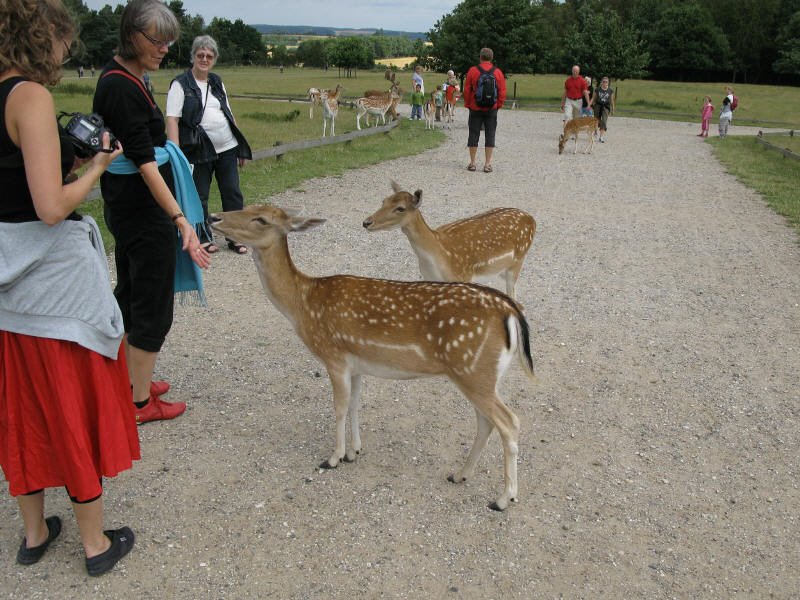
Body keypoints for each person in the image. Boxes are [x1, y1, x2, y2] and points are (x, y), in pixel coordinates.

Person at [0, 0, 138, 575]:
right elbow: (51, 208)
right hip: (51, 286)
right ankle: (94, 545)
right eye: (60, 40)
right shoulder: (28, 96)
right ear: (41, 36)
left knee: (23, 407)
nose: (64, 52)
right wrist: (97, 168)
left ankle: (34, 534)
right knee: (69, 403)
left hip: (7, 287)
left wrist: (62, 159)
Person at [92, 0, 211, 425]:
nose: (164, 48)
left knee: (133, 293)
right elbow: (145, 163)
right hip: (142, 211)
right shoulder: (121, 86)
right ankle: (139, 403)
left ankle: (129, 381)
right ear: (131, 36)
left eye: (169, 41)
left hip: (130, 208)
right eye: (156, 40)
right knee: (151, 304)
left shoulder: (127, 76)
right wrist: (180, 220)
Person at [166, 35, 252, 254]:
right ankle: (204, 237)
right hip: (197, 150)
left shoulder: (216, 81)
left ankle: (235, 237)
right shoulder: (180, 84)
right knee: (200, 194)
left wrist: (240, 144)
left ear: (214, 59)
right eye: (200, 55)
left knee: (232, 192)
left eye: (209, 56)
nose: (204, 59)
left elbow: (229, 113)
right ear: (193, 57)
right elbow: (172, 119)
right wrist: (177, 154)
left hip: (227, 148)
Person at [463, 47, 506, 173]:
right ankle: (487, 164)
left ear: (480, 57)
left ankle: (472, 163)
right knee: (490, 134)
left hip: (475, 108)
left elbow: (467, 90)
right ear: (491, 58)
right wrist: (498, 105)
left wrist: (468, 104)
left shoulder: (472, 71)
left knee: (473, 134)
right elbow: (502, 91)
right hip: (492, 108)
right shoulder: (498, 72)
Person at [590, 76, 615, 142]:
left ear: (608, 83)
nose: (605, 83)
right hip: (597, 106)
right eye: (603, 82)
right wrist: (589, 105)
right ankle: (595, 132)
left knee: (604, 121)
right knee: (596, 120)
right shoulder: (597, 89)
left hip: (606, 107)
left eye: (606, 82)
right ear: (601, 82)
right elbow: (593, 98)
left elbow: (612, 100)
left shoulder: (610, 91)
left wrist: (613, 109)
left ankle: (601, 137)